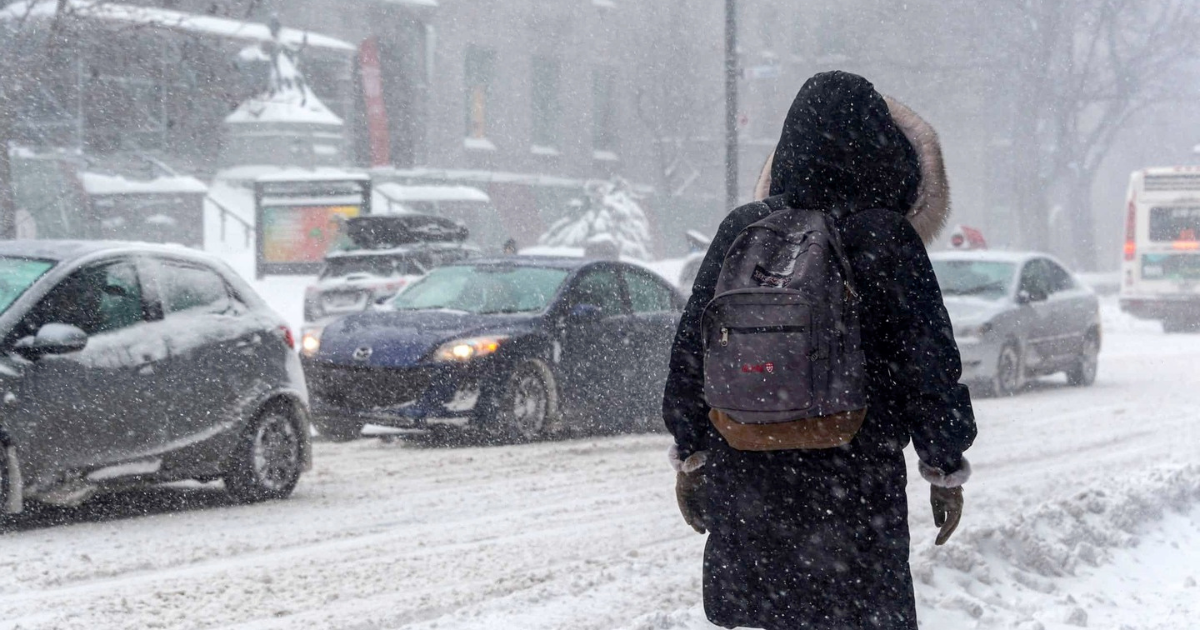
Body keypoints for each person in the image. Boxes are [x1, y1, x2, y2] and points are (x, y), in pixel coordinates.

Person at [663, 71, 977, 629]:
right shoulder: (884, 236)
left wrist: (691, 453)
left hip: (749, 471)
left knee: (775, 612)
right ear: (881, 149)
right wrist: (944, 463)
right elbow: (928, 363)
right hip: (853, 479)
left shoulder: (744, 227)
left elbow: (693, 349)